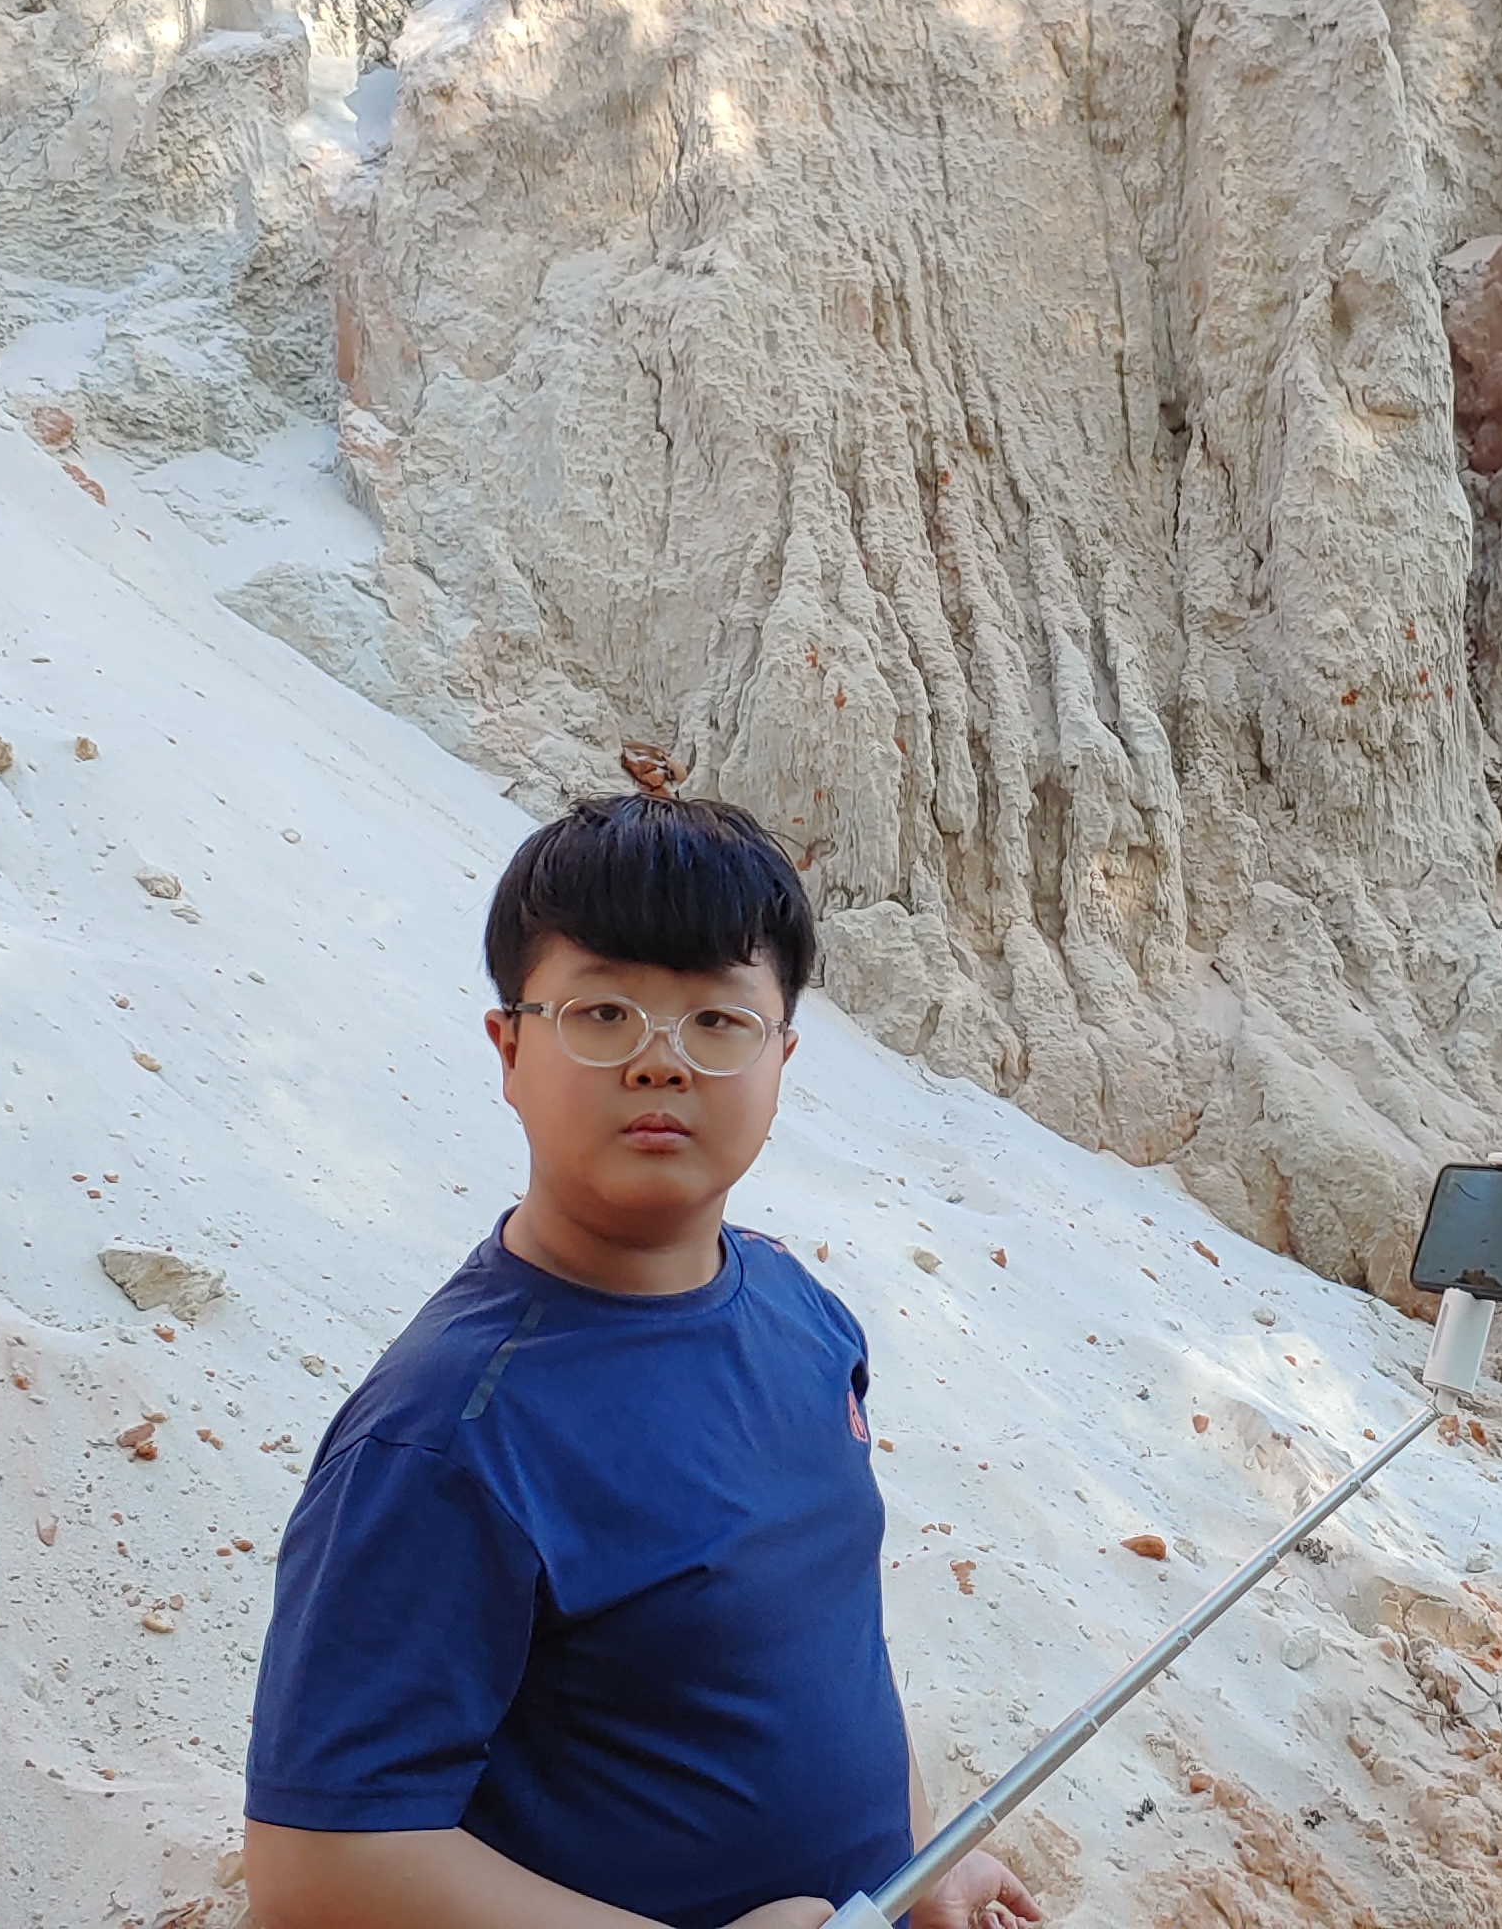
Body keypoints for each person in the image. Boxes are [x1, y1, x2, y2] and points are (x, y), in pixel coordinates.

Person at [243, 792, 1043, 1929]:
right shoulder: (445, 1433)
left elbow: (828, 1641)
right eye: (605, 1012)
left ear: (782, 1057)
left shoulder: (802, 1312)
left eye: (719, 1022)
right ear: (509, 1048)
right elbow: (316, 1865)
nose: (662, 1062)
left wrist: (914, 1856)